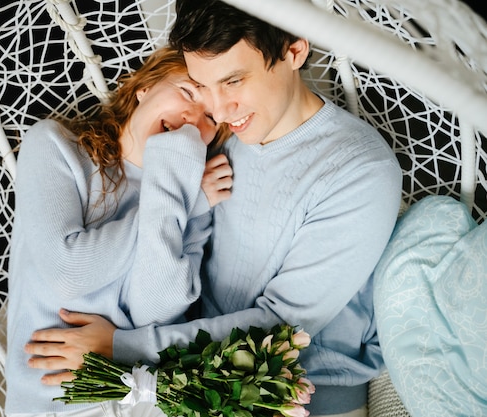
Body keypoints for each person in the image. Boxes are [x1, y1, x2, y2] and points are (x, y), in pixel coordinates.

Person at [24, 1, 403, 416]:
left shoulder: (359, 169)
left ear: (295, 51)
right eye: (202, 89)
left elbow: (282, 328)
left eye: (234, 81)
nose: (219, 113)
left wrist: (117, 347)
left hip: (291, 389)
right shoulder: (212, 142)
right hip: (184, 378)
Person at [5, 46, 233, 417]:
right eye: (188, 92)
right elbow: (69, 273)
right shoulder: (56, 147)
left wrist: (176, 195)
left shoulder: (195, 200)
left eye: (210, 116)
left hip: (141, 394)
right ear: (145, 87)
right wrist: (181, 202)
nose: (193, 119)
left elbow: (153, 311)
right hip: (50, 403)